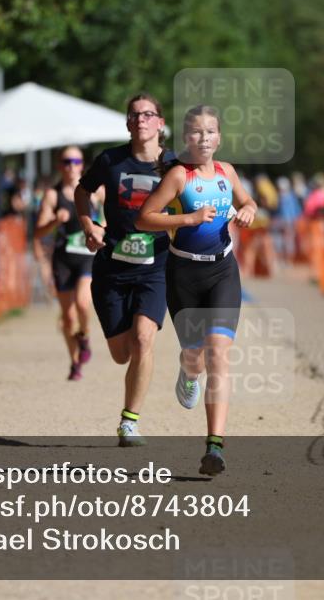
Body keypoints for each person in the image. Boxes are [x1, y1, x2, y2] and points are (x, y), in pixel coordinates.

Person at [136, 105, 257, 477]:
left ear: (219, 137)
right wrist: (189, 218)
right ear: (186, 138)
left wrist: (249, 210)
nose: (204, 138)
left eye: (210, 132)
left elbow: (247, 201)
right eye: (196, 132)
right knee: (196, 357)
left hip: (222, 271)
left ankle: (214, 447)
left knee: (218, 352)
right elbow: (144, 218)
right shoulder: (178, 176)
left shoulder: (226, 172)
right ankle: (188, 373)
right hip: (183, 274)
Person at [75, 93, 177, 447]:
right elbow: (82, 191)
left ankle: (129, 422)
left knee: (143, 339)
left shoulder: (175, 164)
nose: (141, 120)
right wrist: (89, 225)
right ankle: (130, 366)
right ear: (127, 123)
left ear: (160, 123)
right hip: (112, 268)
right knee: (122, 354)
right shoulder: (110, 160)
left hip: (156, 267)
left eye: (148, 114)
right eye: (134, 115)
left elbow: (198, 193)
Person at [34, 147, 103, 381]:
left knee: (83, 303)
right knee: (68, 317)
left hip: (87, 256)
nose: (71, 166)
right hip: (63, 259)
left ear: (82, 165)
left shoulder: (97, 191)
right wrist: (55, 220)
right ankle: (75, 363)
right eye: (66, 161)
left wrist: (103, 226)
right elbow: (38, 232)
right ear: (59, 165)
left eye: (75, 161)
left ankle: (84, 336)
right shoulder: (53, 195)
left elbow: (114, 214)